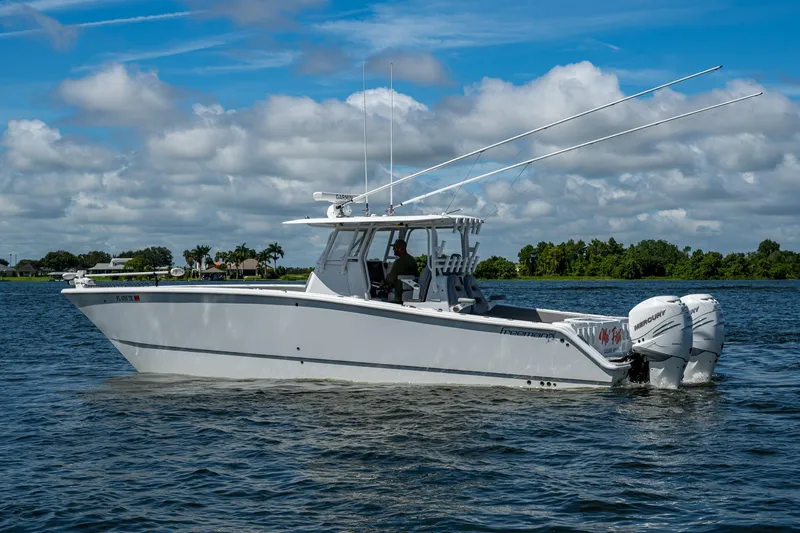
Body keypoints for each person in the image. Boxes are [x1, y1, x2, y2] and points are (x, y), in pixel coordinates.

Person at [382, 239, 418, 303]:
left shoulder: (399, 262)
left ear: (400, 248)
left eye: (394, 247)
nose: (393, 249)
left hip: (399, 295)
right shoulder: (412, 259)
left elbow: (391, 278)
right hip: (409, 289)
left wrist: (382, 282)